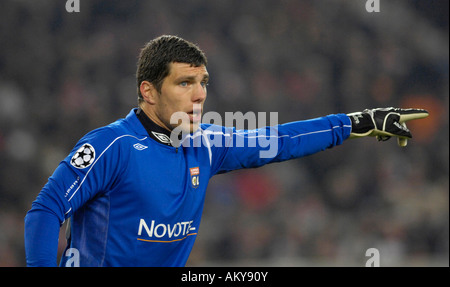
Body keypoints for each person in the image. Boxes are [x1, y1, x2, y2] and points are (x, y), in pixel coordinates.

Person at [24, 35, 429, 267]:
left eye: (203, 82)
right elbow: (46, 210)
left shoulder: (207, 144)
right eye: (185, 83)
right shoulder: (110, 146)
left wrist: (358, 122)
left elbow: (281, 140)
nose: (199, 94)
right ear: (148, 90)